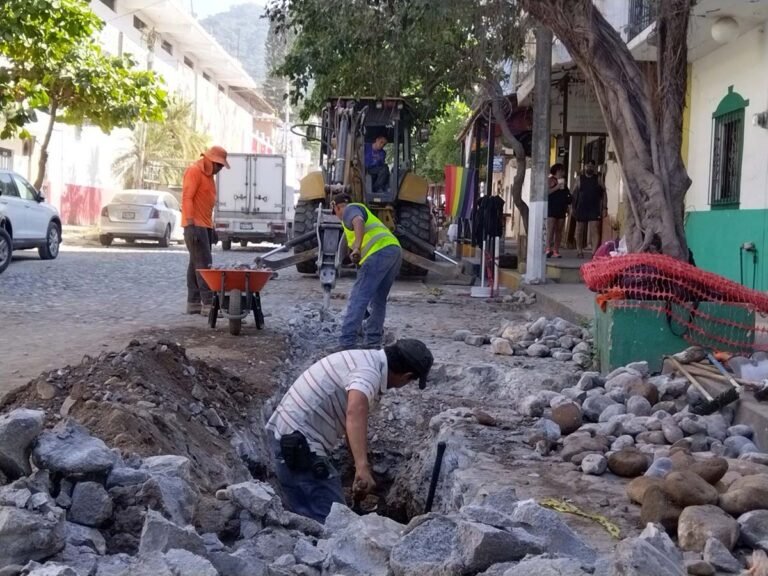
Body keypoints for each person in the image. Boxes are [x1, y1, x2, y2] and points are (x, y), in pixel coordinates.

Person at [265, 339, 434, 522]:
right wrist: (362, 467)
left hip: (288, 437)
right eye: (411, 381)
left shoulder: (366, 359)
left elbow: (349, 418)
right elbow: (355, 412)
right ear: (406, 375)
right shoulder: (368, 374)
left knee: (309, 515)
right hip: (297, 446)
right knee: (334, 523)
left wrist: (357, 466)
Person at [332, 193, 402, 349]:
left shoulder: (350, 210)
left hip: (378, 253)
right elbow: (344, 241)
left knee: (358, 297)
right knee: (378, 300)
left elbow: (358, 221)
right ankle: (372, 342)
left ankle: (347, 342)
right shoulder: (358, 212)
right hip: (394, 251)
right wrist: (340, 262)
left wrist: (356, 247)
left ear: (336, 207)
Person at [182, 146, 229, 315]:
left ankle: (193, 303)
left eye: (222, 166)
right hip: (195, 225)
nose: (220, 169)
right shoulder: (194, 171)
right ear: (210, 161)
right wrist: (190, 224)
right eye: (219, 165)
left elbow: (207, 205)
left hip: (205, 225)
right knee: (204, 265)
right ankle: (209, 304)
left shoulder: (209, 177)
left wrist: (213, 227)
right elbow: (187, 197)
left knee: (195, 263)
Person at [572, 160, 607, 258]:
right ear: (585, 167)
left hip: (594, 208)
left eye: (592, 166)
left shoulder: (598, 179)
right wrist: (572, 207)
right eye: (588, 166)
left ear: (594, 168)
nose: (590, 168)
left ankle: (594, 252)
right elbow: (574, 194)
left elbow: (604, 194)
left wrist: (605, 208)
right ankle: (579, 251)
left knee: (594, 230)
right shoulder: (579, 179)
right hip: (581, 207)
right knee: (579, 230)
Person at [546, 163, 571, 259]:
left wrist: (567, 206)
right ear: (556, 171)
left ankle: (556, 249)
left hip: (561, 207)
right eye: (560, 171)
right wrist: (557, 187)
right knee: (551, 228)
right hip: (552, 207)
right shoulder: (550, 180)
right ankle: (548, 248)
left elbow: (566, 194)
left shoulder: (564, 182)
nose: (562, 173)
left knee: (559, 230)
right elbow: (547, 192)